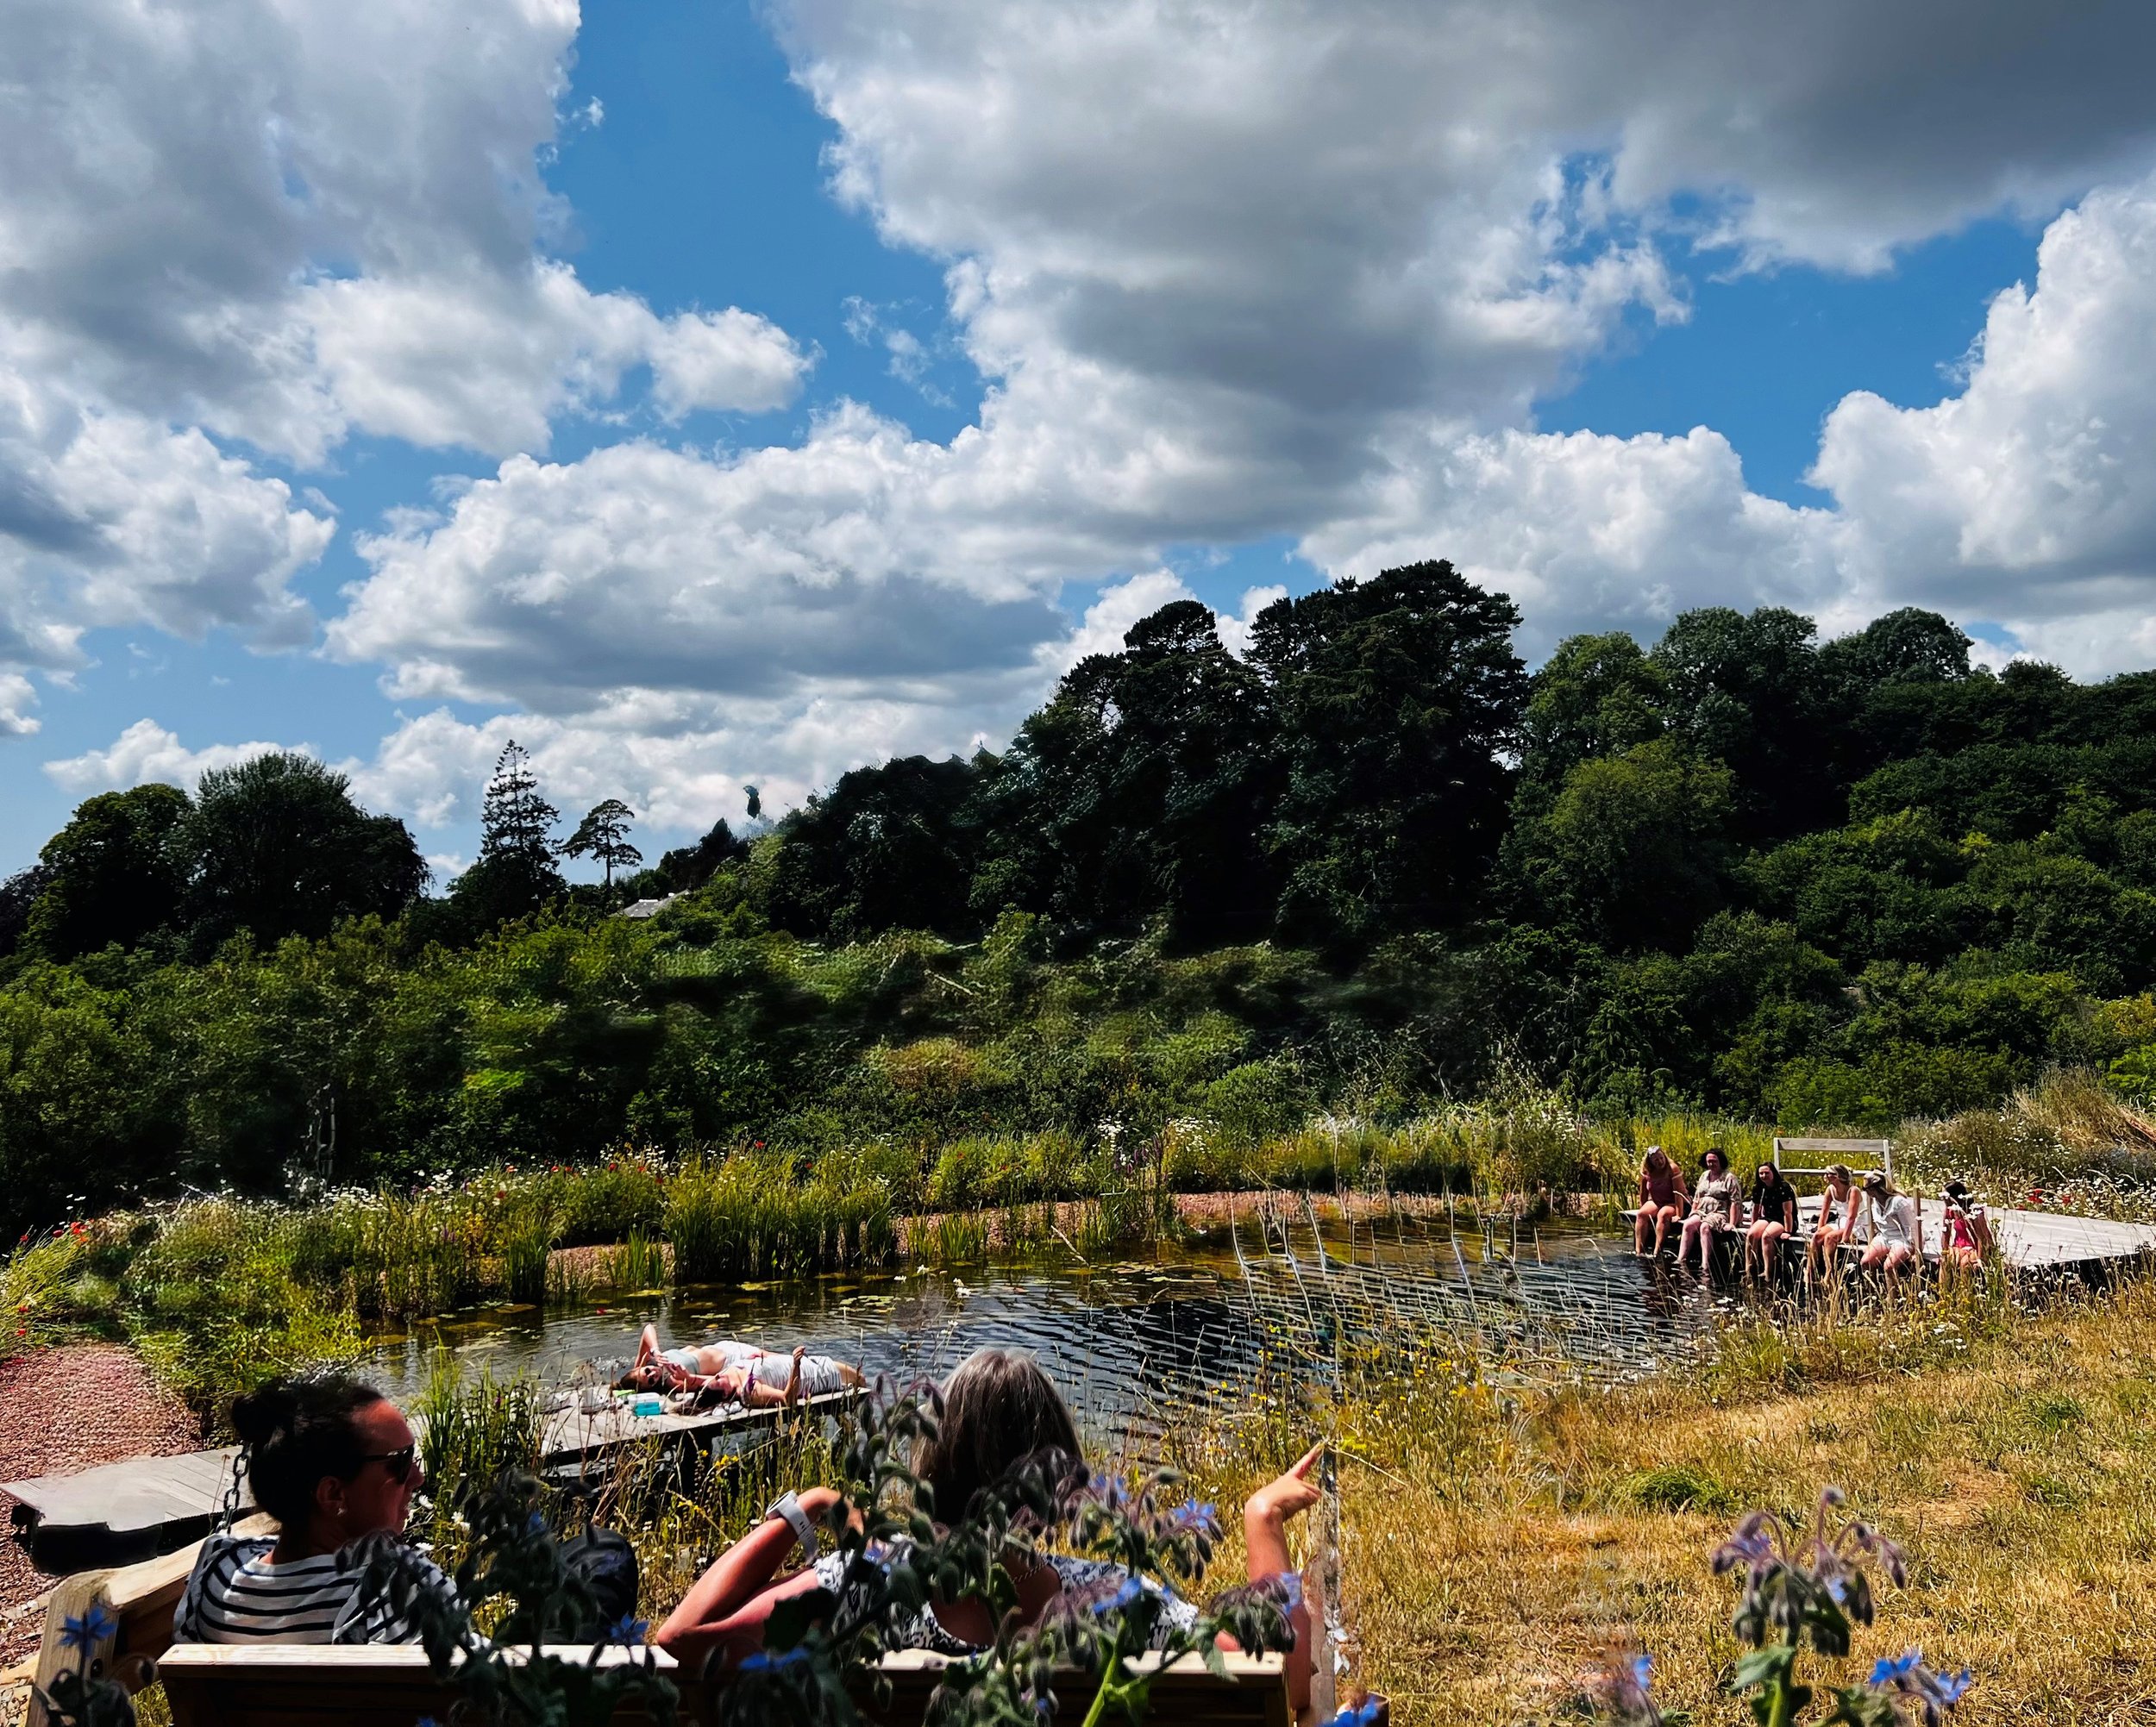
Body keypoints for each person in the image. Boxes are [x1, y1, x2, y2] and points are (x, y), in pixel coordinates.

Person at [655, 1348, 1329, 1719]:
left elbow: (680, 1641)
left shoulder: (863, 1590)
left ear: (936, 1467)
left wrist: (806, 1507)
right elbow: (1284, 1682)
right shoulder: (1116, 1602)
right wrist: (1262, 1519)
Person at [172, 1376, 457, 1644]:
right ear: (333, 1494)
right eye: (400, 1463)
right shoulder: (398, 1593)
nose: (418, 1478)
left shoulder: (217, 1578)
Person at [618, 1324, 864, 1406]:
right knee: (777, 1360)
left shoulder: (654, 1360)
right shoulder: (672, 1379)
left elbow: (648, 1329)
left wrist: (652, 1353)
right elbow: (699, 1386)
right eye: (651, 1380)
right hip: (732, 1363)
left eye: (646, 1371)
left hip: (730, 1354)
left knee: (776, 1359)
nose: (652, 1373)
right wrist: (686, 1378)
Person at [1677, 1148, 1743, 1271]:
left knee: (1705, 1227)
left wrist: (1732, 1223)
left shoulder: (1729, 1178)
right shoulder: (1704, 1176)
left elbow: (1735, 1202)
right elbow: (1697, 1198)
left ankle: (1705, 1264)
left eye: (1714, 1161)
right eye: (1709, 1161)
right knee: (1688, 1225)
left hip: (1720, 1212)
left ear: (1720, 1161)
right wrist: (1692, 1213)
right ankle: (1681, 1260)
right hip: (1702, 1210)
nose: (1711, 1164)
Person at [1857, 1169, 1923, 1286]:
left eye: (1868, 1189)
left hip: (1902, 1239)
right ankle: (1873, 1289)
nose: (1867, 1192)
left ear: (1876, 1188)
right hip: (1884, 1237)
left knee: (1889, 1266)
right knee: (1865, 1262)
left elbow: (1911, 1228)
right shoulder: (1874, 1203)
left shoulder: (1898, 1202)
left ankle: (1893, 1294)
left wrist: (1915, 1249)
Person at [1744, 1161, 1798, 1279]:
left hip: (1783, 1219)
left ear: (1773, 1173)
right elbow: (1756, 1209)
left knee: (1766, 1237)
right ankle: (1749, 1268)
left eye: (1767, 1173)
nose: (1764, 1176)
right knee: (1751, 1234)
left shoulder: (1783, 1187)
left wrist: (1788, 1231)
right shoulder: (1759, 1188)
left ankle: (1768, 1271)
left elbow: (1788, 1212)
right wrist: (1753, 1224)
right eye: (1761, 1173)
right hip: (1768, 1217)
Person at [1633, 1146, 1688, 1256]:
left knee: (1663, 1214)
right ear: (1651, 1162)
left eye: (1661, 1158)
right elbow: (1643, 1193)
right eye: (1656, 1160)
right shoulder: (1646, 1171)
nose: (1660, 1162)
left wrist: (1679, 1215)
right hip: (1657, 1201)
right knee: (1641, 1214)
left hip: (1675, 1202)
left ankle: (1656, 1252)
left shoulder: (1672, 1169)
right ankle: (1639, 1251)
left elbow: (1678, 1193)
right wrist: (1642, 1206)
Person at [1940, 1180, 1993, 1272]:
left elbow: (1982, 1238)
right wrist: (1944, 1252)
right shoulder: (1950, 1210)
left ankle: (1965, 1282)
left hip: (1976, 1247)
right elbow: (1946, 1233)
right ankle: (1943, 1282)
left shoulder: (1974, 1211)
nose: (1943, 1199)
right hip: (1959, 1246)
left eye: (1945, 1197)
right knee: (1946, 1260)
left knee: (1965, 1263)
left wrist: (1980, 1259)